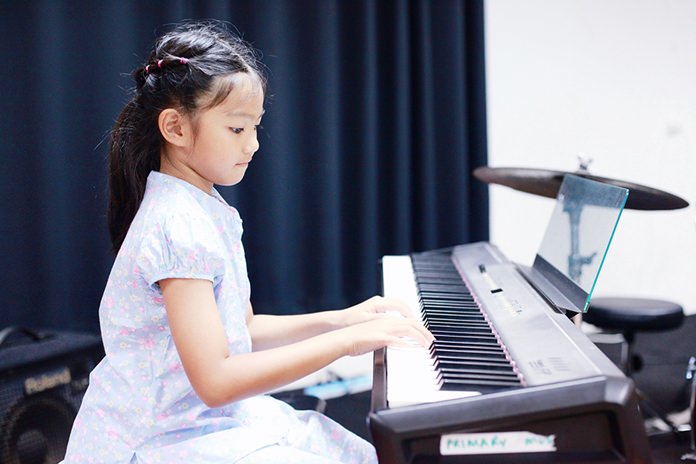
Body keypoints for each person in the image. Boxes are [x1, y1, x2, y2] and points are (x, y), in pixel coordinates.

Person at [61, 20, 433, 464]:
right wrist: (348, 344)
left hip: (195, 422)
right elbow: (216, 380)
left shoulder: (204, 208)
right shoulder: (176, 223)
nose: (253, 145)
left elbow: (244, 330)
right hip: (155, 441)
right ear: (175, 128)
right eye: (237, 130)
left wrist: (344, 320)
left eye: (256, 128)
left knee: (351, 451)